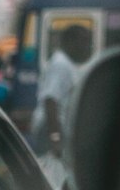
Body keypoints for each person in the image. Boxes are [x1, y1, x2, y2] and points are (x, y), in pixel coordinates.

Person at [29, 23, 91, 160]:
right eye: (84, 42)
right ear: (70, 41)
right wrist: (55, 138)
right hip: (49, 129)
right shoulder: (61, 65)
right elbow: (50, 100)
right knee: (53, 174)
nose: (87, 47)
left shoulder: (67, 64)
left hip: (54, 129)